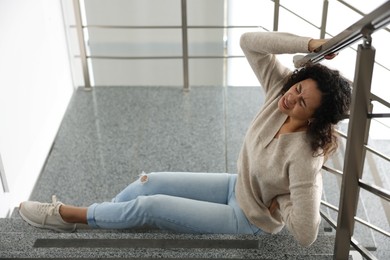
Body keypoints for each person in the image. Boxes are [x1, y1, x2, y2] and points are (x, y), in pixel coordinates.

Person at [19, 31, 352, 247]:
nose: (291, 99)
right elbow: (249, 41)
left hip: (248, 219)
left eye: (302, 102)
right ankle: (106, 214)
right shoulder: (278, 93)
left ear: (314, 119)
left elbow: (307, 234)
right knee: (146, 183)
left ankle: (66, 216)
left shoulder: (306, 156)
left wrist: (284, 203)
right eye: (297, 88)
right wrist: (310, 47)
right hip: (232, 186)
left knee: (148, 207)